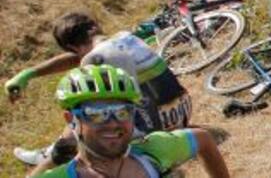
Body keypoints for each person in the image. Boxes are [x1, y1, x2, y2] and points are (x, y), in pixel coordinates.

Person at [6, 13, 192, 170]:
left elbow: (87, 60)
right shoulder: (126, 37)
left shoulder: (97, 57)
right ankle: (53, 151)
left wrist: (65, 145)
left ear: (72, 47)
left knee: (84, 113)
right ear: (95, 27)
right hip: (181, 114)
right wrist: (29, 73)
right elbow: (82, 58)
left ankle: (52, 157)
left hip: (154, 131)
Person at [36, 64, 230, 178]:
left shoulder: (154, 151)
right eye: (96, 113)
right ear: (71, 120)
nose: (112, 123)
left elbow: (203, 139)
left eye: (122, 112)